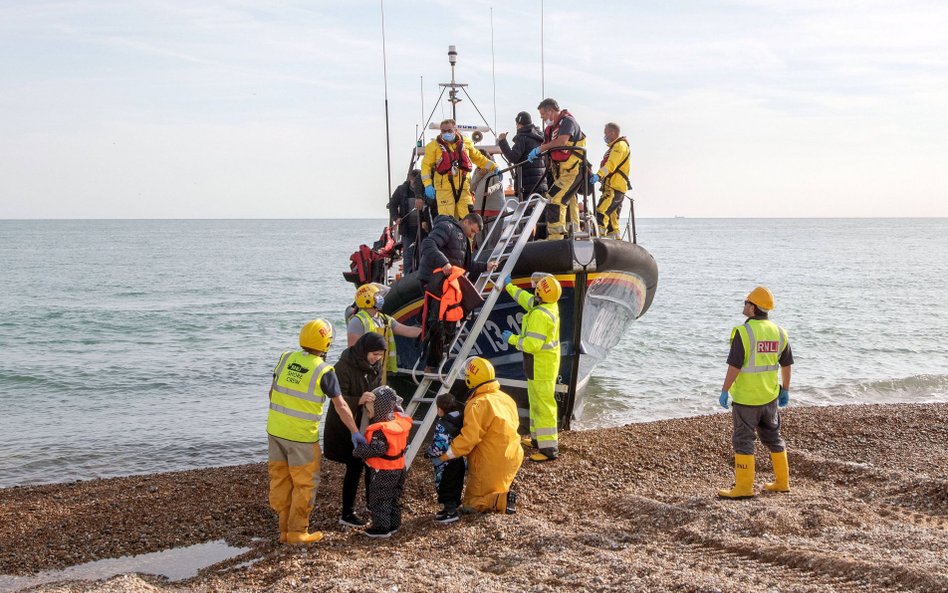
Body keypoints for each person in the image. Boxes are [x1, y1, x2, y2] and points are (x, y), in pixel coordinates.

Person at [266, 319, 366, 545]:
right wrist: (354, 431)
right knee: (304, 484)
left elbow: (272, 394)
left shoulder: (285, 358)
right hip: (302, 437)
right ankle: (298, 532)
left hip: (275, 431)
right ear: (327, 343)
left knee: (280, 480)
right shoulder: (324, 370)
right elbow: (341, 406)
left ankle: (283, 529)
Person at [717, 286, 794, 499]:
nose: (744, 305)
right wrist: (785, 389)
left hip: (746, 399)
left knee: (743, 440)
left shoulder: (744, 332)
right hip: (770, 397)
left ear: (753, 307)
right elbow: (787, 365)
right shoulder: (780, 332)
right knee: (773, 437)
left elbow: (735, 366)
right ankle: (782, 482)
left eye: (746, 302)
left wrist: (724, 391)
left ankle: (743, 487)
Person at [439, 357, 523, 514]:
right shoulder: (506, 398)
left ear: (471, 379)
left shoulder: (478, 403)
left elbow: (469, 437)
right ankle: (500, 495)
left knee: (471, 504)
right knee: (497, 484)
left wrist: (447, 454)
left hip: (490, 459)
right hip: (513, 454)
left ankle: (502, 501)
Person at [417, 213, 498, 370]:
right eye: (472, 231)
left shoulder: (463, 240)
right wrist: (444, 263)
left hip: (448, 284)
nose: (472, 235)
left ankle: (437, 359)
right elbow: (428, 244)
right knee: (438, 322)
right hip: (434, 281)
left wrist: (486, 266)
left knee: (450, 319)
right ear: (466, 221)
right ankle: (430, 365)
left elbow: (467, 265)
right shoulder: (446, 227)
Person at [323, 332, 387, 527]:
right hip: (344, 424)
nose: (377, 358)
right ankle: (347, 513)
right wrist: (359, 400)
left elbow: (377, 389)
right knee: (355, 465)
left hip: (366, 421)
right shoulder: (342, 366)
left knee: (371, 463)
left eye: (380, 355)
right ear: (364, 350)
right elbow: (336, 400)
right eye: (374, 354)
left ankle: (371, 503)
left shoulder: (375, 365)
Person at [501, 273, 562, 462]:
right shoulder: (546, 305)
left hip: (541, 366)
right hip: (538, 365)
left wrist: (511, 338)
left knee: (544, 406)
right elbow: (526, 299)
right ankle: (537, 439)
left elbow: (531, 345)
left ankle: (549, 449)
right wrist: (510, 287)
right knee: (535, 402)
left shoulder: (540, 316)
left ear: (540, 293)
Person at [352, 385, 413, 538]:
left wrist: (358, 451)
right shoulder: (398, 423)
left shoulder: (380, 430)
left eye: (369, 409)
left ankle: (381, 528)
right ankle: (394, 523)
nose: (368, 413)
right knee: (394, 496)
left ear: (378, 409)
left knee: (380, 498)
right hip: (399, 468)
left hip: (384, 470)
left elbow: (378, 449)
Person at [527, 98, 587, 240]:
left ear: (550, 111)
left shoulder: (568, 122)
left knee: (555, 198)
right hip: (560, 172)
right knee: (569, 199)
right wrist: (538, 152)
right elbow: (550, 145)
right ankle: (574, 233)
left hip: (573, 170)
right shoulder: (551, 129)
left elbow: (562, 141)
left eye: (543, 114)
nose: (542, 118)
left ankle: (556, 236)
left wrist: (540, 148)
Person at [420, 119, 499, 220]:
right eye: (443, 131)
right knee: (446, 220)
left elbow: (478, 158)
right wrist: (428, 185)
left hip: (464, 188)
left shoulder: (466, 143)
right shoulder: (433, 147)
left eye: (449, 130)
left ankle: (467, 237)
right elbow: (425, 166)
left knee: (467, 219)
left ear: (455, 129)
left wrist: (493, 166)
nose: (446, 133)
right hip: (444, 190)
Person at [347, 284, 421, 376]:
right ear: (368, 299)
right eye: (377, 295)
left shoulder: (384, 319)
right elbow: (352, 351)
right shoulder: (357, 321)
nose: (380, 298)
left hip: (380, 369)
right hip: (364, 371)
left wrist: (427, 332)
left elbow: (406, 331)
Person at [425, 393, 466, 524]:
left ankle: (451, 512)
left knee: (445, 485)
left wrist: (429, 452)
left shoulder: (443, 424)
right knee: (456, 483)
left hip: (446, 462)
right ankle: (450, 509)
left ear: (440, 409)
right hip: (459, 458)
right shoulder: (461, 419)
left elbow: (439, 445)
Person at [589, 122, 631, 239]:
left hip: (614, 187)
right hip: (614, 186)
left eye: (606, 133)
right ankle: (615, 238)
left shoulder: (619, 146)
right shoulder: (617, 146)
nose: (605, 136)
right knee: (613, 217)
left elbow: (611, 164)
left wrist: (599, 175)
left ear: (612, 133)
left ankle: (598, 236)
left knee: (601, 211)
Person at [498, 111, 548, 200]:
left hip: (527, 185)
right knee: (541, 212)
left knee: (528, 212)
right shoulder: (539, 136)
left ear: (519, 124)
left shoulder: (522, 137)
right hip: (541, 182)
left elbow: (513, 157)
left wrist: (502, 141)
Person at [387, 169, 425, 272]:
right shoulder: (401, 190)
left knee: (423, 254)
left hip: (423, 229)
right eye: (414, 180)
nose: (415, 183)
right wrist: (396, 218)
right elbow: (392, 205)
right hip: (407, 229)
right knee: (408, 255)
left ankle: (421, 278)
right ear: (410, 179)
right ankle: (408, 277)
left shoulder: (425, 189)